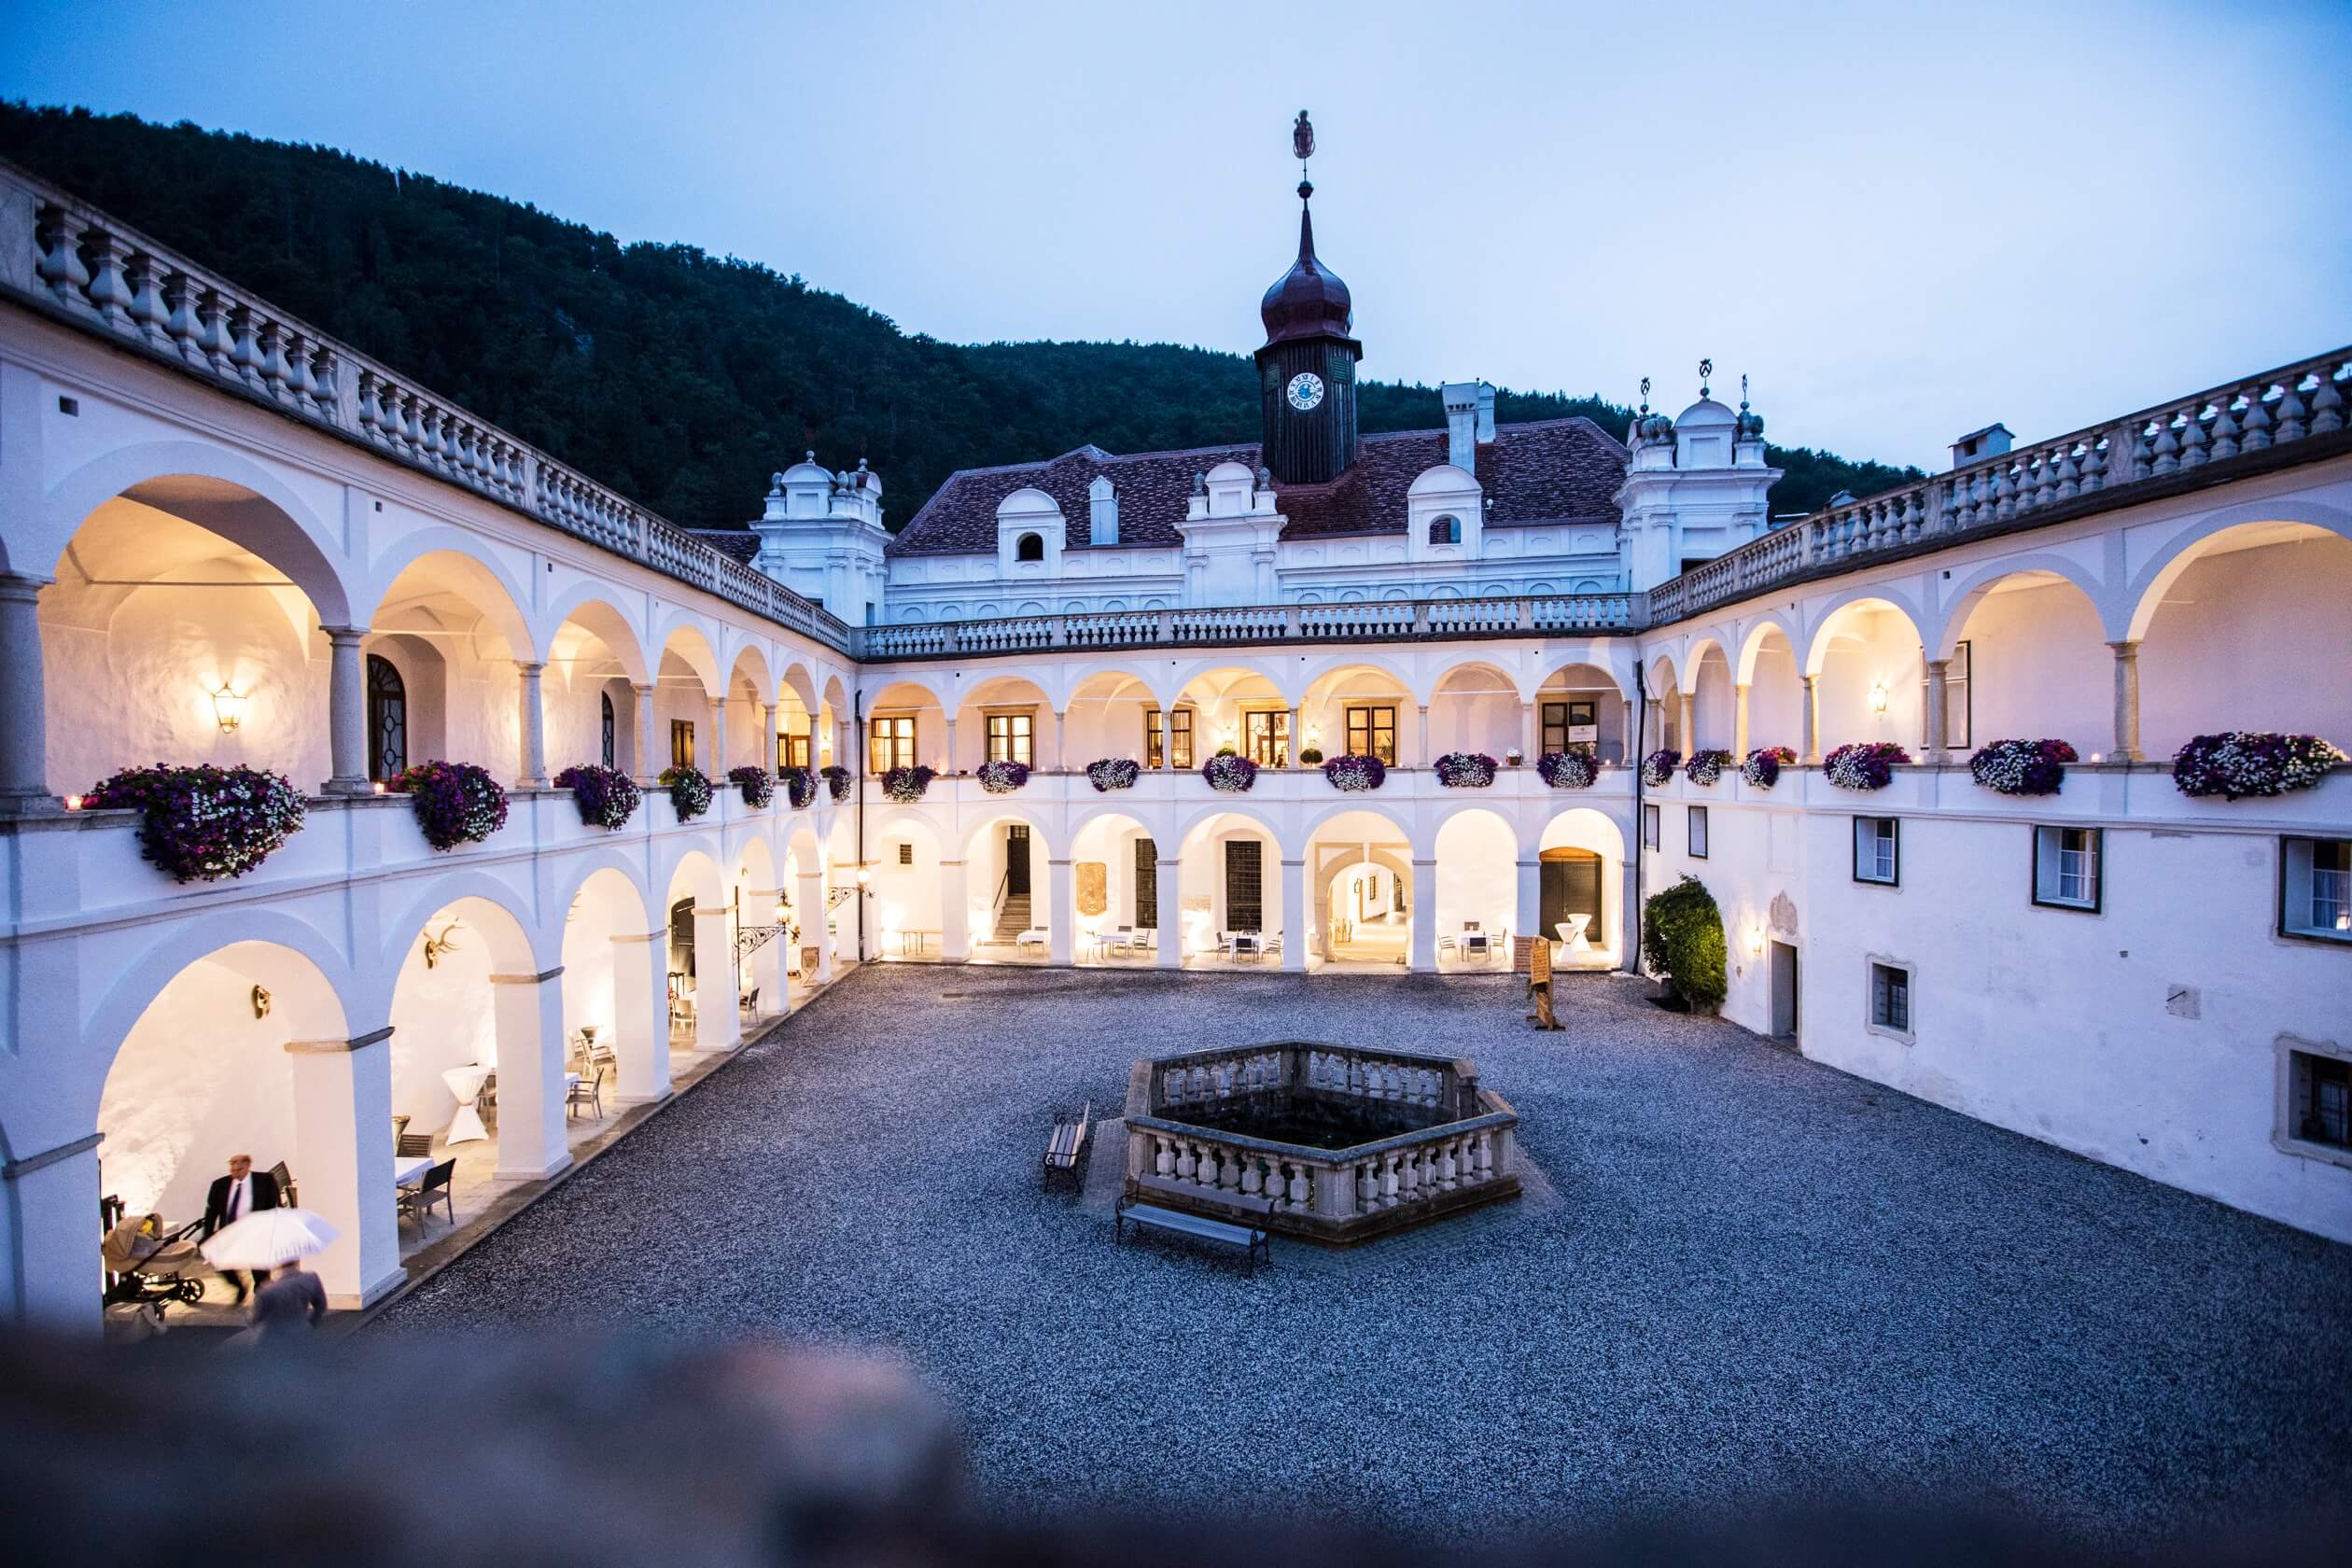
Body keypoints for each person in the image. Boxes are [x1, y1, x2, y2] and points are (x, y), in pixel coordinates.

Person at [201, 1154, 280, 1304]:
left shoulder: (264, 1181)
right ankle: (239, 1286)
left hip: (254, 1231)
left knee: (259, 1266)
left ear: (248, 1166)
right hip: (230, 1231)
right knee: (221, 1262)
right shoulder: (219, 1185)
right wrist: (208, 1234)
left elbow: (273, 1205)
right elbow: (211, 1212)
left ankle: (261, 1293)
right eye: (233, 1168)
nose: (235, 1172)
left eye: (239, 1169)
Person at [243, 1258, 327, 1342]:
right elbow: (321, 1305)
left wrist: (251, 1309)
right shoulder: (311, 1278)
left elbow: (255, 1319)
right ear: (297, 1261)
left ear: (279, 1263)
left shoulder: (267, 1290)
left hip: (273, 1339)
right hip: (303, 1333)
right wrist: (311, 1324)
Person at [1528, 934, 1562, 1031]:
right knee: (1543, 994)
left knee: (1547, 993)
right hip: (1541, 975)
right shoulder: (1539, 946)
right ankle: (1543, 1015)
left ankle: (1549, 1021)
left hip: (1544, 976)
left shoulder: (1544, 946)